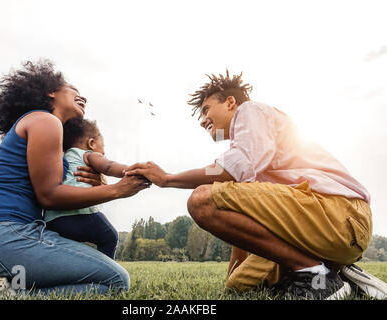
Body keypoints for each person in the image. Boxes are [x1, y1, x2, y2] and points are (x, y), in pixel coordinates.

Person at [124, 70, 383, 299]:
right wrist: (230, 279)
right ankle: (332, 268)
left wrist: (168, 178)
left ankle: (318, 274)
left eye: (205, 110)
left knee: (202, 198)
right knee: (240, 284)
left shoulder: (250, 112)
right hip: (319, 224)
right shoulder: (251, 152)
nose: (202, 120)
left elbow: (227, 169)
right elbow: (241, 213)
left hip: (341, 214)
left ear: (230, 102)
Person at [0, 60, 150, 296]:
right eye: (75, 91)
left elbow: (57, 191)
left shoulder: (47, 132)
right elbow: (49, 195)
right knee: (115, 280)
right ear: (51, 91)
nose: (83, 98)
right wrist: (118, 190)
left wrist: (94, 185)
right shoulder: (45, 120)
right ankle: (10, 295)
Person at [44, 117, 138, 259]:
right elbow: (108, 166)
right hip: (81, 213)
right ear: (92, 143)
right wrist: (133, 170)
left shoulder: (63, 158)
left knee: (67, 252)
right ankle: (106, 272)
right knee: (110, 237)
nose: (104, 153)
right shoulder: (88, 154)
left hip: (53, 219)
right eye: (103, 147)